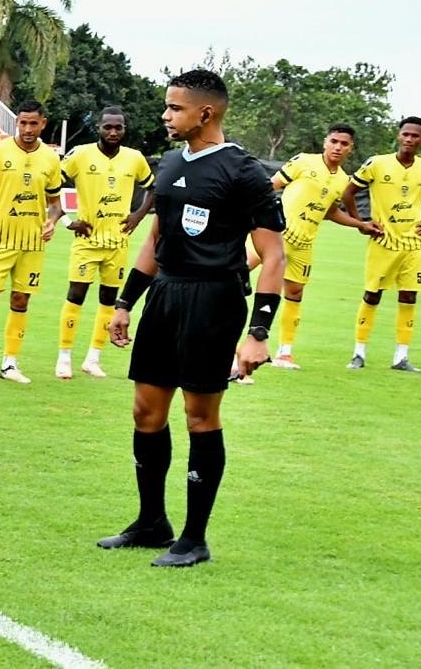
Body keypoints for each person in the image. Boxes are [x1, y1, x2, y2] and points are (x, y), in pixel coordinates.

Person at [99, 69, 285, 567]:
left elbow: (273, 256)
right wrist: (125, 303)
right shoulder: (168, 162)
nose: (165, 115)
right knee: (146, 411)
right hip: (165, 295)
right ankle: (151, 523)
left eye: (174, 108)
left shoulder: (244, 172)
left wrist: (259, 333)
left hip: (213, 300)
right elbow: (155, 239)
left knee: (200, 415)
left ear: (205, 113)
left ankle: (194, 539)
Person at [242, 124, 374, 373]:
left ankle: (285, 353)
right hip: (276, 236)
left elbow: (331, 211)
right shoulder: (303, 161)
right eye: (334, 141)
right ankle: (227, 345)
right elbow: (271, 186)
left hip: (304, 244)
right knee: (235, 276)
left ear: (351, 148)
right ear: (325, 142)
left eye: (344, 144)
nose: (338, 147)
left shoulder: (342, 180)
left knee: (294, 293)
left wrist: (360, 224)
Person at [0, 100, 63, 385]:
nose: (27, 129)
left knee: (20, 299)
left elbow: (55, 204)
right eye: (23, 123)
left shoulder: (51, 159)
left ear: (43, 123)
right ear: (17, 122)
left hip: (32, 243)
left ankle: (10, 364)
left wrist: (52, 221)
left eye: (33, 123)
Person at [55, 108, 155, 380]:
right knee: (75, 296)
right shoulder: (80, 154)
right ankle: (64, 357)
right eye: (108, 127)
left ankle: (93, 358)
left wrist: (137, 216)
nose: (113, 132)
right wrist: (67, 221)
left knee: (109, 300)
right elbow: (50, 186)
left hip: (118, 242)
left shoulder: (134, 158)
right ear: (97, 127)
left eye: (118, 128)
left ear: (124, 129)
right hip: (87, 241)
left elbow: (153, 188)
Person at [341, 117, 421, 373]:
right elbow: (348, 193)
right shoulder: (377, 163)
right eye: (405, 134)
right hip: (383, 242)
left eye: (415, 136)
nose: (409, 139)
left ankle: (401, 357)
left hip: (413, 244)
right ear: (398, 135)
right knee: (372, 294)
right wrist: (361, 223)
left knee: (409, 296)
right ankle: (358, 353)